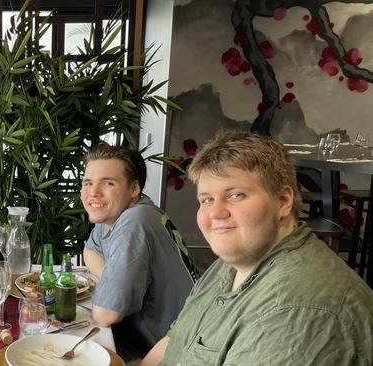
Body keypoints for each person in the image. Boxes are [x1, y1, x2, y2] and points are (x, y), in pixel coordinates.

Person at [141, 132, 373, 366]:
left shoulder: (295, 310)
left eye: (235, 195)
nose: (216, 212)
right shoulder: (232, 263)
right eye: (207, 200)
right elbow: (175, 339)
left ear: (283, 200)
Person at [81, 145, 197, 360]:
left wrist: (112, 289)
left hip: (172, 353)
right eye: (88, 182)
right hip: (158, 343)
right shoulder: (118, 211)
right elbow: (89, 250)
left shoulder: (134, 221)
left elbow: (105, 314)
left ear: (134, 189)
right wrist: (112, 280)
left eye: (108, 183)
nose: (93, 192)